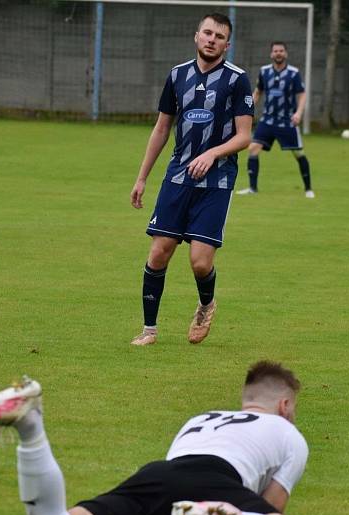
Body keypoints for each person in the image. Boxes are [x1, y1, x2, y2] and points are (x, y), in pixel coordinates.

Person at [0, 361, 310, 515]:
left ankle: (30, 426)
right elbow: (272, 505)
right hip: (217, 481)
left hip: (159, 475)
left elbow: (178, 472)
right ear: (285, 405)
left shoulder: (201, 419)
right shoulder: (288, 433)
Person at [129, 13, 254, 346]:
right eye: (208, 33)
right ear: (196, 35)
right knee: (159, 253)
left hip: (218, 181)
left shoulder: (237, 80)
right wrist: (142, 178)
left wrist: (213, 154)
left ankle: (206, 303)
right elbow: (161, 129)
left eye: (220, 36)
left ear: (228, 44)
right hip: (178, 176)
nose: (212, 39)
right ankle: (149, 330)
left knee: (200, 263)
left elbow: (244, 137)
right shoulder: (177, 75)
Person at [235, 42, 314, 199]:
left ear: (286, 53)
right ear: (271, 54)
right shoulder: (264, 72)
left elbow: (302, 94)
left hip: (287, 121)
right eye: (275, 51)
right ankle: (252, 188)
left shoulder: (293, 73)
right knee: (253, 149)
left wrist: (298, 113)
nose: (278, 53)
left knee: (298, 153)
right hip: (268, 120)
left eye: (281, 51)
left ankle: (308, 189)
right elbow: (258, 92)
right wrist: (245, 109)